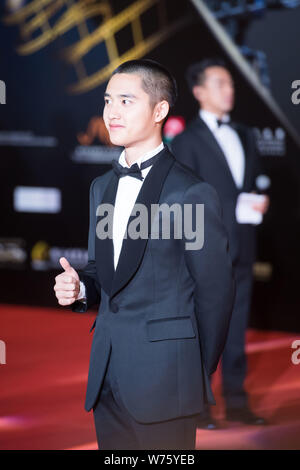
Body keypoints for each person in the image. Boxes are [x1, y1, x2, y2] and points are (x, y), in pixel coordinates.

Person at [53, 59, 234, 450]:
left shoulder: (190, 193)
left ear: (159, 110)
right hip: (106, 377)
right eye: (107, 100)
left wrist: (193, 372)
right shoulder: (101, 188)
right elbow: (104, 273)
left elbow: (216, 293)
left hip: (168, 381)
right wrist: (81, 287)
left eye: (125, 100)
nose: (112, 112)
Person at [172, 58, 269, 429]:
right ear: (199, 92)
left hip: (244, 244)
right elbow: (181, 198)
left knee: (237, 326)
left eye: (230, 83)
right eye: (219, 83)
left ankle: (238, 403)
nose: (229, 90)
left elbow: (255, 180)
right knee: (204, 327)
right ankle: (197, 407)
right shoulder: (185, 140)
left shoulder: (245, 133)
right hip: (205, 250)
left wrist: (260, 198)